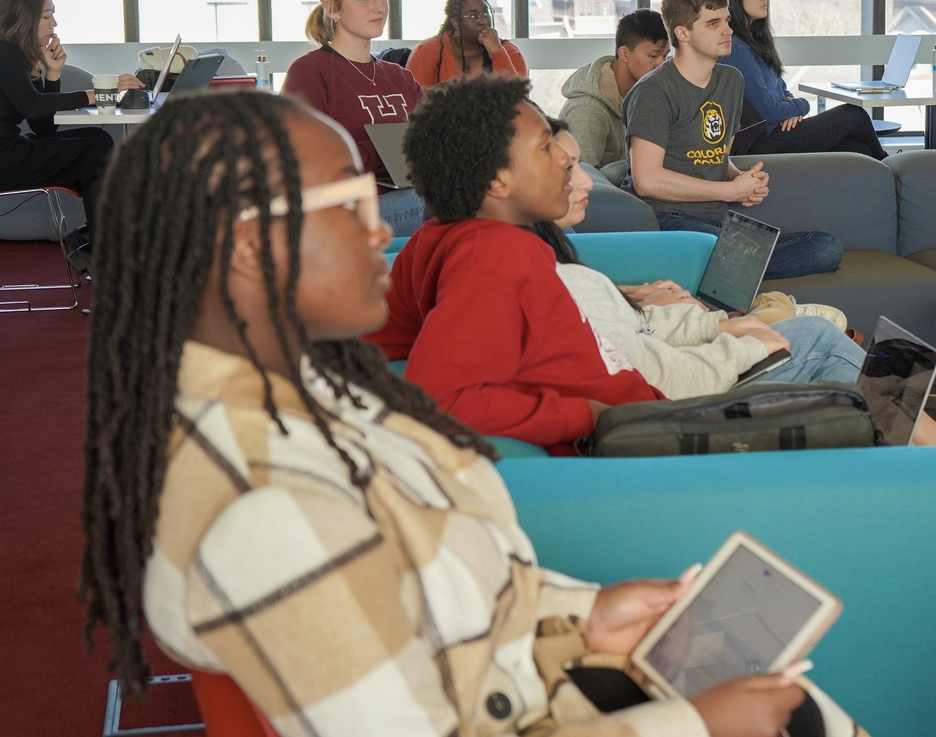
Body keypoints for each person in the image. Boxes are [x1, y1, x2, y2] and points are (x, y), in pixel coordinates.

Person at [78, 88, 849, 736]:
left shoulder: (310, 399)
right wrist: (695, 726)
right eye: (350, 207)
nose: (383, 232)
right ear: (249, 249)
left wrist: (581, 617)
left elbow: (436, 593)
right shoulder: (267, 512)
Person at [539, 116, 936, 479]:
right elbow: (657, 373)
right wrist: (741, 338)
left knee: (835, 343)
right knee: (818, 336)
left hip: (682, 364)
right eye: (568, 168)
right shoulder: (554, 281)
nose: (583, 179)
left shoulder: (558, 268)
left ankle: (919, 456)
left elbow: (637, 340)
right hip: (678, 400)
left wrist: (704, 322)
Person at [370, 74, 671, 453]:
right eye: (545, 148)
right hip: (635, 443)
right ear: (497, 181)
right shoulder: (493, 256)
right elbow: (439, 397)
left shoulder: (453, 235)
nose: (564, 158)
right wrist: (590, 415)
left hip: (644, 421)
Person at [622, 0, 842, 280]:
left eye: (726, 21)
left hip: (717, 220)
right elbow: (646, 180)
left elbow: (714, 157)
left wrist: (740, 179)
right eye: (714, 23)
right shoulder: (654, 91)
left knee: (826, 246)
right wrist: (729, 191)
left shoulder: (730, 81)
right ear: (682, 33)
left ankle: (726, 269)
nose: (728, 31)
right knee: (719, 251)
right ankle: (725, 268)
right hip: (667, 220)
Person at [0, 0, 142, 267]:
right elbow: (33, 106)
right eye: (47, 16)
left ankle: (96, 241)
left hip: (10, 150)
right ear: (24, 17)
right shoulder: (5, 52)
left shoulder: (14, 54)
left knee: (98, 139)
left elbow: (43, 126)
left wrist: (53, 74)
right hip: (5, 158)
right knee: (94, 151)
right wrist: (97, 93)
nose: (54, 25)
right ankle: (105, 249)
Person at [281, 0, 426, 238]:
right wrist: (384, 151)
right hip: (342, 215)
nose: (379, 6)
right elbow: (307, 164)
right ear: (332, 9)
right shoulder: (310, 72)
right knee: (437, 204)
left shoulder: (400, 76)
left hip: (410, 194)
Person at [717, 0, 887, 160]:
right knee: (854, 116)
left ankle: (885, 178)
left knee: (859, 150)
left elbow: (782, 90)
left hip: (783, 128)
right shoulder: (736, 49)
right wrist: (802, 105)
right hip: (769, 139)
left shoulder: (754, 42)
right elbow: (768, 111)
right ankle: (893, 173)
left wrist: (789, 111)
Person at [560, 8, 671, 168]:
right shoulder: (587, 110)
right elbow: (580, 178)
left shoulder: (650, 94)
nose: (661, 64)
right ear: (624, 54)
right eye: (653, 56)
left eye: (665, 56)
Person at [406, 0, 527, 87]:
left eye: (486, 13)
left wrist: (497, 52)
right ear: (456, 23)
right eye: (473, 16)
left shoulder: (510, 52)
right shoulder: (427, 51)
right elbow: (413, 104)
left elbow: (521, 106)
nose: (483, 21)